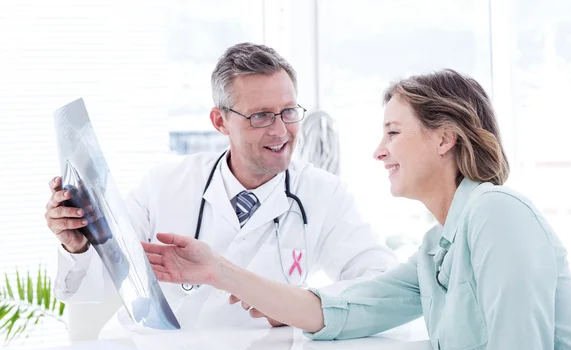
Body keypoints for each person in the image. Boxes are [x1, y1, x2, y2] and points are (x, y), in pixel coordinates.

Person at [143, 69, 571, 350]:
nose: (379, 151)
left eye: (394, 132)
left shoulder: (498, 214)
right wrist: (217, 270)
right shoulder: (435, 250)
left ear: (444, 139)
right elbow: (343, 310)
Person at [45, 42, 396, 333]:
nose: (280, 130)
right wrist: (77, 247)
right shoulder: (165, 184)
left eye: (288, 111)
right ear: (219, 121)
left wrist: (298, 306)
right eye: (260, 116)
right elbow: (93, 288)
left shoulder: (323, 194)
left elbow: (381, 284)